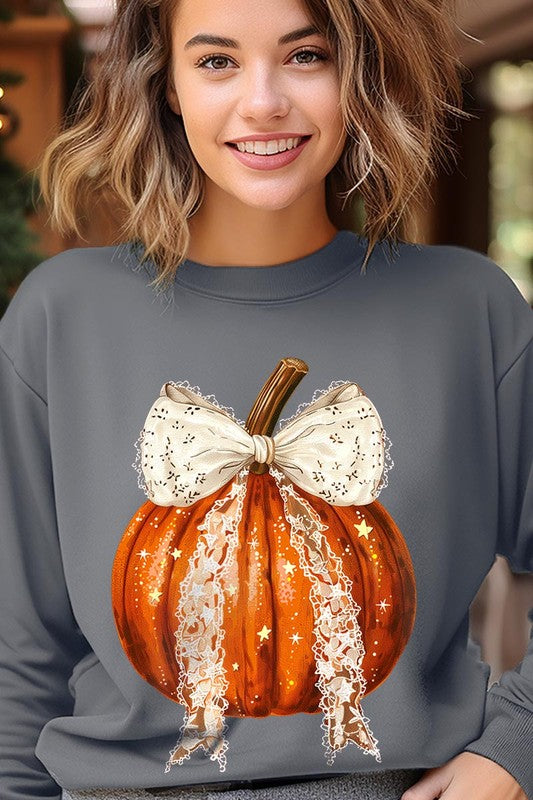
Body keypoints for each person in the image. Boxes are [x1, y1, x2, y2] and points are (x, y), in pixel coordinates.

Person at [0, 0, 531, 799]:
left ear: (359, 71)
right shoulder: (60, 316)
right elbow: (20, 647)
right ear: (168, 83)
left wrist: (514, 749)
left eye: (306, 56)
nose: (262, 102)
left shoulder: (468, 310)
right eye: (216, 61)